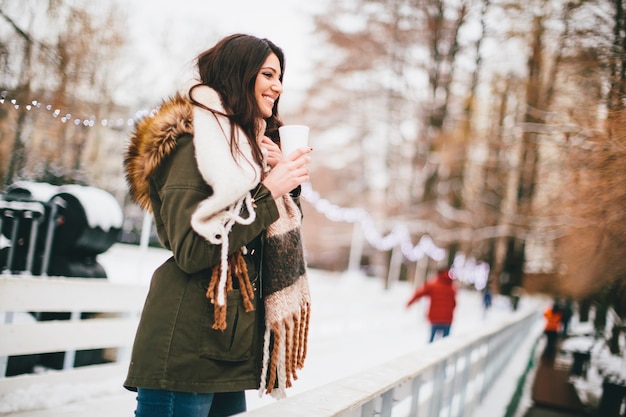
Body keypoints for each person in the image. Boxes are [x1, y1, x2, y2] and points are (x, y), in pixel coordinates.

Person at [123, 34, 313, 417]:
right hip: (186, 351)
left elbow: (259, 234)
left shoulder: (246, 153)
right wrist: (268, 191)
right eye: (268, 74)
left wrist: (278, 182)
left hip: (226, 350)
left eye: (280, 76)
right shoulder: (191, 146)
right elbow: (193, 251)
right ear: (239, 74)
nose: (278, 86)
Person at [406, 268, 457, 343]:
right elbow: (454, 303)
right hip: (447, 319)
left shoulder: (433, 285)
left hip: (435, 318)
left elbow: (419, 293)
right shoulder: (451, 288)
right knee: (445, 342)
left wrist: (410, 302)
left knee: (431, 341)